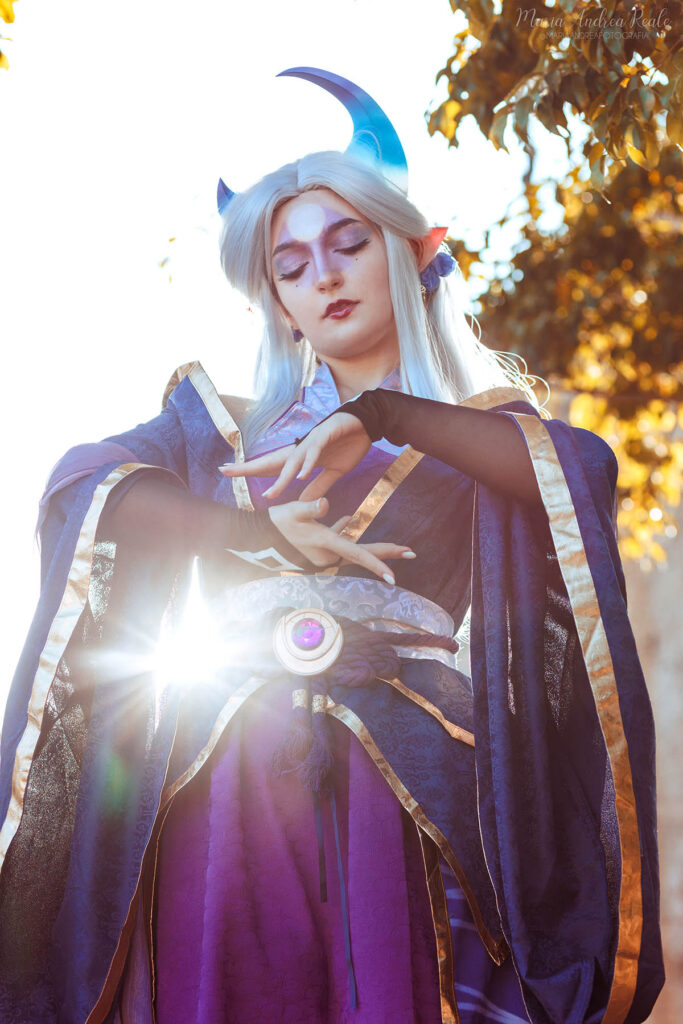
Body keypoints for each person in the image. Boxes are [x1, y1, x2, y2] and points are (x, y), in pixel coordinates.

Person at [0, 68, 663, 1024]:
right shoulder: (217, 427)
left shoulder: (477, 433)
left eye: (349, 244)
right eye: (292, 265)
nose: (325, 276)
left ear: (414, 253)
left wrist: (383, 414)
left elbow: (580, 473)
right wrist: (252, 529)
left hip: (414, 779)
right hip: (223, 772)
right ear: (276, 300)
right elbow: (81, 486)